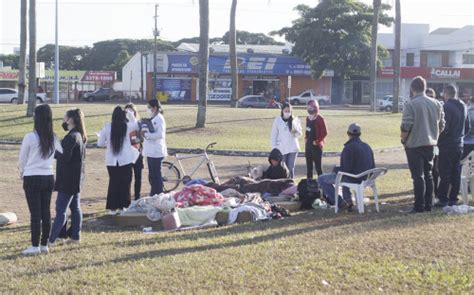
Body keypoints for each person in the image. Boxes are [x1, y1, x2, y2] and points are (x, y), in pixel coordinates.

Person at [18, 104, 60, 255]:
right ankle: (44, 245)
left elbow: (22, 159)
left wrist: (22, 172)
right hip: (48, 177)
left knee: (35, 213)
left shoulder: (30, 137)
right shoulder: (54, 137)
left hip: (32, 177)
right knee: (46, 212)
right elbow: (60, 153)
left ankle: (35, 245)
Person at [401, 76, 445, 213]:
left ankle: (419, 205)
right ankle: (428, 204)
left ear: (412, 88)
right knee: (429, 175)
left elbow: (406, 125)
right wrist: (434, 135)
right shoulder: (436, 103)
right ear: (425, 88)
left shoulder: (411, 104)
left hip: (414, 144)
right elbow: (442, 124)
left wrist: (404, 140)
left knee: (418, 176)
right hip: (431, 144)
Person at [49, 109, 87, 245]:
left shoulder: (72, 137)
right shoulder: (78, 135)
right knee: (75, 207)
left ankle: (51, 239)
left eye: (64, 118)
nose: (63, 121)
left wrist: (54, 149)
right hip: (76, 179)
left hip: (68, 180)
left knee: (60, 209)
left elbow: (65, 156)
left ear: (70, 120)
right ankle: (75, 237)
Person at [318, 123, 375, 210]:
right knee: (346, 175)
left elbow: (345, 170)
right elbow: (372, 165)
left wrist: (336, 169)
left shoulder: (348, 148)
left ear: (348, 133)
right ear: (360, 134)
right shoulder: (367, 146)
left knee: (322, 179)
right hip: (366, 177)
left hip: (354, 177)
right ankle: (347, 199)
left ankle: (340, 202)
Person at [98, 106, 139, 213]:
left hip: (111, 160)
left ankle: (112, 208)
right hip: (125, 159)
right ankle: (123, 207)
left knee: (113, 183)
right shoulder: (127, 126)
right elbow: (136, 125)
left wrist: (108, 143)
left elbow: (100, 143)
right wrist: (130, 114)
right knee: (125, 184)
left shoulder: (107, 126)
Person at [436, 85, 470, 207]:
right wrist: (460, 136)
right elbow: (468, 127)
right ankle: (453, 198)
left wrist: (439, 139)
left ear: (446, 93)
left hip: (447, 144)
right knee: (456, 172)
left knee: (445, 172)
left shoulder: (446, 107)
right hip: (459, 144)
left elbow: (445, 127)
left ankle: (443, 198)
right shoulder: (463, 106)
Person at [142, 99, 168, 196]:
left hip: (156, 152)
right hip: (150, 151)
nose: (148, 109)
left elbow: (160, 134)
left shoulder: (159, 118)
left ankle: (159, 195)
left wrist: (148, 135)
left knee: (157, 176)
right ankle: (154, 194)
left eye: (149, 107)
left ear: (155, 108)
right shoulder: (152, 118)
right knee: (152, 176)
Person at [270, 102, 302, 178]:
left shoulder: (295, 120)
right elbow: (273, 135)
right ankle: (282, 183)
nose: (287, 113)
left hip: (292, 148)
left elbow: (300, 134)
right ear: (282, 111)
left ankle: (291, 184)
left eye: (289, 111)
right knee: (282, 167)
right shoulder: (277, 120)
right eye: (286, 111)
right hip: (281, 148)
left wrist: (295, 132)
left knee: (290, 168)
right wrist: (274, 148)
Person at [305, 99, 328, 179]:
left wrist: (317, 141)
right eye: (308, 108)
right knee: (309, 168)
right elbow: (307, 129)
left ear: (315, 108)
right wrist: (306, 137)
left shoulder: (320, 119)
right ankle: (309, 185)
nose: (309, 109)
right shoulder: (308, 118)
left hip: (317, 147)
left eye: (311, 108)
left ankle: (322, 185)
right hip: (308, 146)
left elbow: (325, 132)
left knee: (318, 168)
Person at [125, 103, 144, 200]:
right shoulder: (123, 124)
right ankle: (127, 198)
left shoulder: (138, 123)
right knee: (127, 178)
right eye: (127, 111)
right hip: (127, 154)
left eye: (131, 111)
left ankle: (137, 196)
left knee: (138, 177)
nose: (129, 113)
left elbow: (142, 136)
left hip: (137, 153)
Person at [426, 88, 440, 200]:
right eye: (428, 96)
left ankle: (435, 193)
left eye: (432, 96)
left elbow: (442, 125)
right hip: (423, 144)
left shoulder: (437, 107)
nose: (430, 98)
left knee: (434, 170)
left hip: (435, 144)